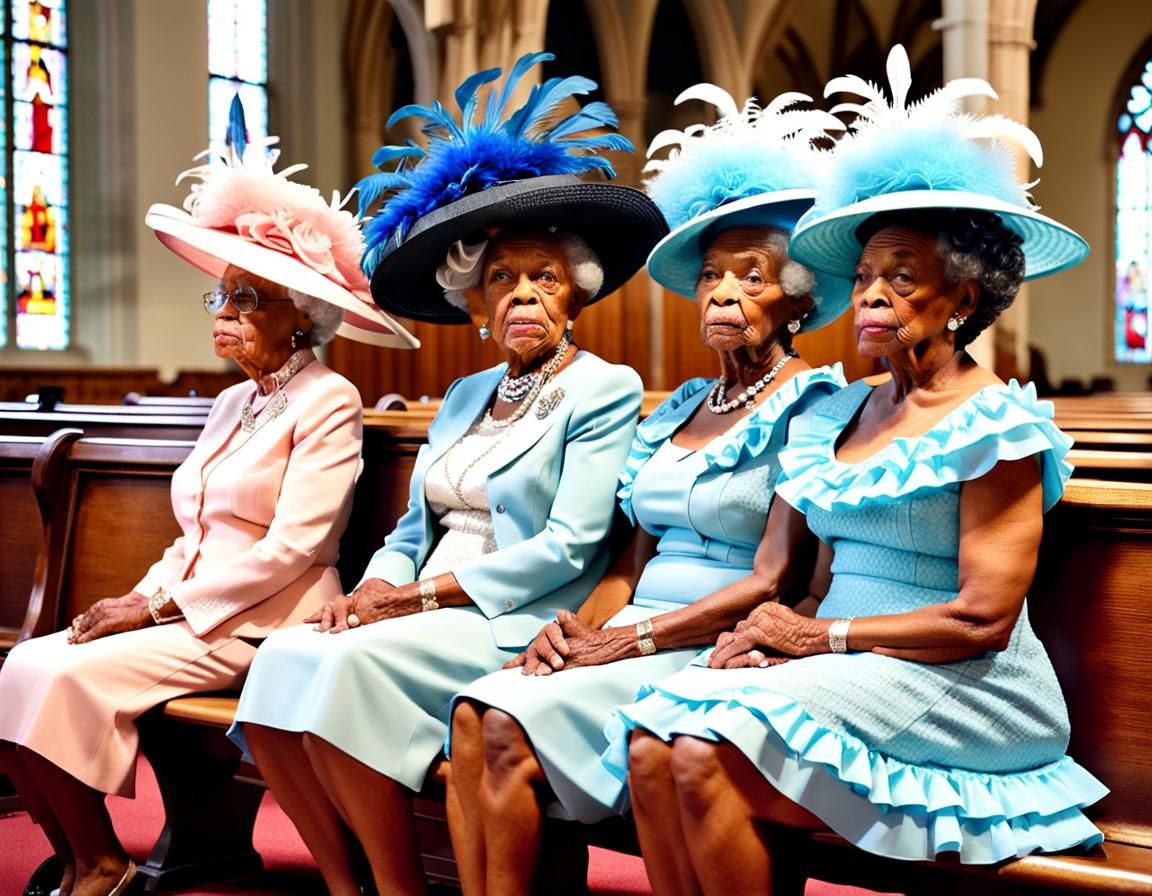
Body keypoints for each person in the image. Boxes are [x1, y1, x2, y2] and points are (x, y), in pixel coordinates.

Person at [609, 46, 1109, 895]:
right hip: (840, 664)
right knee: (654, 741)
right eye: (867, 274)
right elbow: (815, 587)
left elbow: (982, 620)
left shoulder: (999, 426)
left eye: (902, 277)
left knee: (703, 752)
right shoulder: (835, 415)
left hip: (964, 684)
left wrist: (818, 640)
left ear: (964, 299)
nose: (871, 295)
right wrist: (775, 639)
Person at [226, 53, 668, 896]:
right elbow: (409, 531)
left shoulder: (602, 389)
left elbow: (571, 547)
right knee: (286, 660)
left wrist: (416, 598)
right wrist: (373, 587)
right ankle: (346, 884)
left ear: (575, 293)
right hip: (415, 605)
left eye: (544, 277)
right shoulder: (465, 393)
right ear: (477, 301)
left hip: (515, 616)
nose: (524, 296)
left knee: (342, 672)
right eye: (503, 279)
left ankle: (398, 887)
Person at [0, 99, 416, 896]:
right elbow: (193, 534)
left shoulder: (329, 399)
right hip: (192, 607)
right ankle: (87, 858)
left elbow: (291, 549)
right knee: (23, 664)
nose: (223, 314)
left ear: (304, 319)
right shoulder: (232, 402)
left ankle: (101, 865)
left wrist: (155, 612)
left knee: (64, 676)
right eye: (220, 298)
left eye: (245, 300)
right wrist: (142, 593)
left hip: (266, 620)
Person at [445, 85, 850, 895]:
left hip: (716, 640)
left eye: (753, 277)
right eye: (709, 277)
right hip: (631, 626)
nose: (723, 294)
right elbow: (631, 557)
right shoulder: (679, 408)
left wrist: (628, 641)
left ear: (798, 300)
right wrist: (571, 630)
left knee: (510, 728)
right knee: (475, 714)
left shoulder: (818, 403)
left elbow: (774, 579)